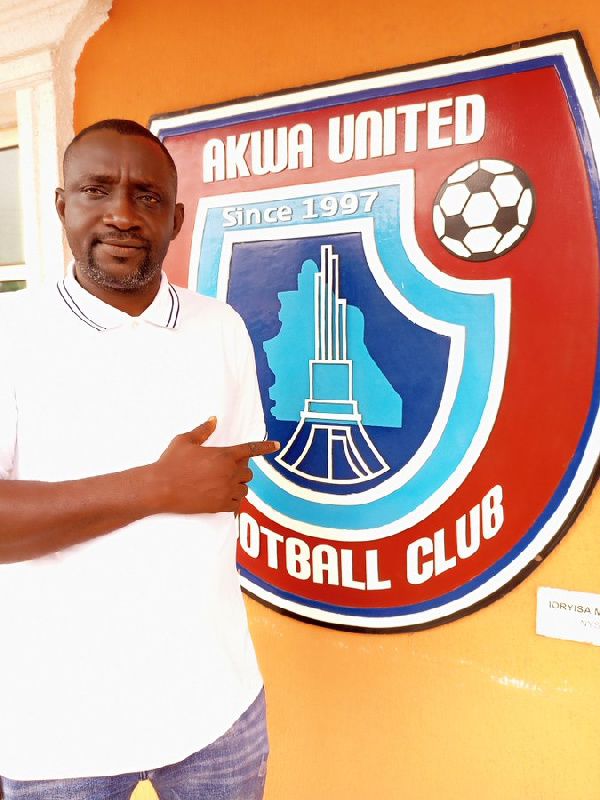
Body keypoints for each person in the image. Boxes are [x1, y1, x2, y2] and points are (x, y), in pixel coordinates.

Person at [0, 119, 279, 800]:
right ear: (61, 204)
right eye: (96, 190)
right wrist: (155, 487)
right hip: (58, 727)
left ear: (176, 219)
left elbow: (226, 485)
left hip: (218, 708)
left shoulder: (221, 327)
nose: (122, 214)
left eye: (147, 196)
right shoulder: (12, 335)